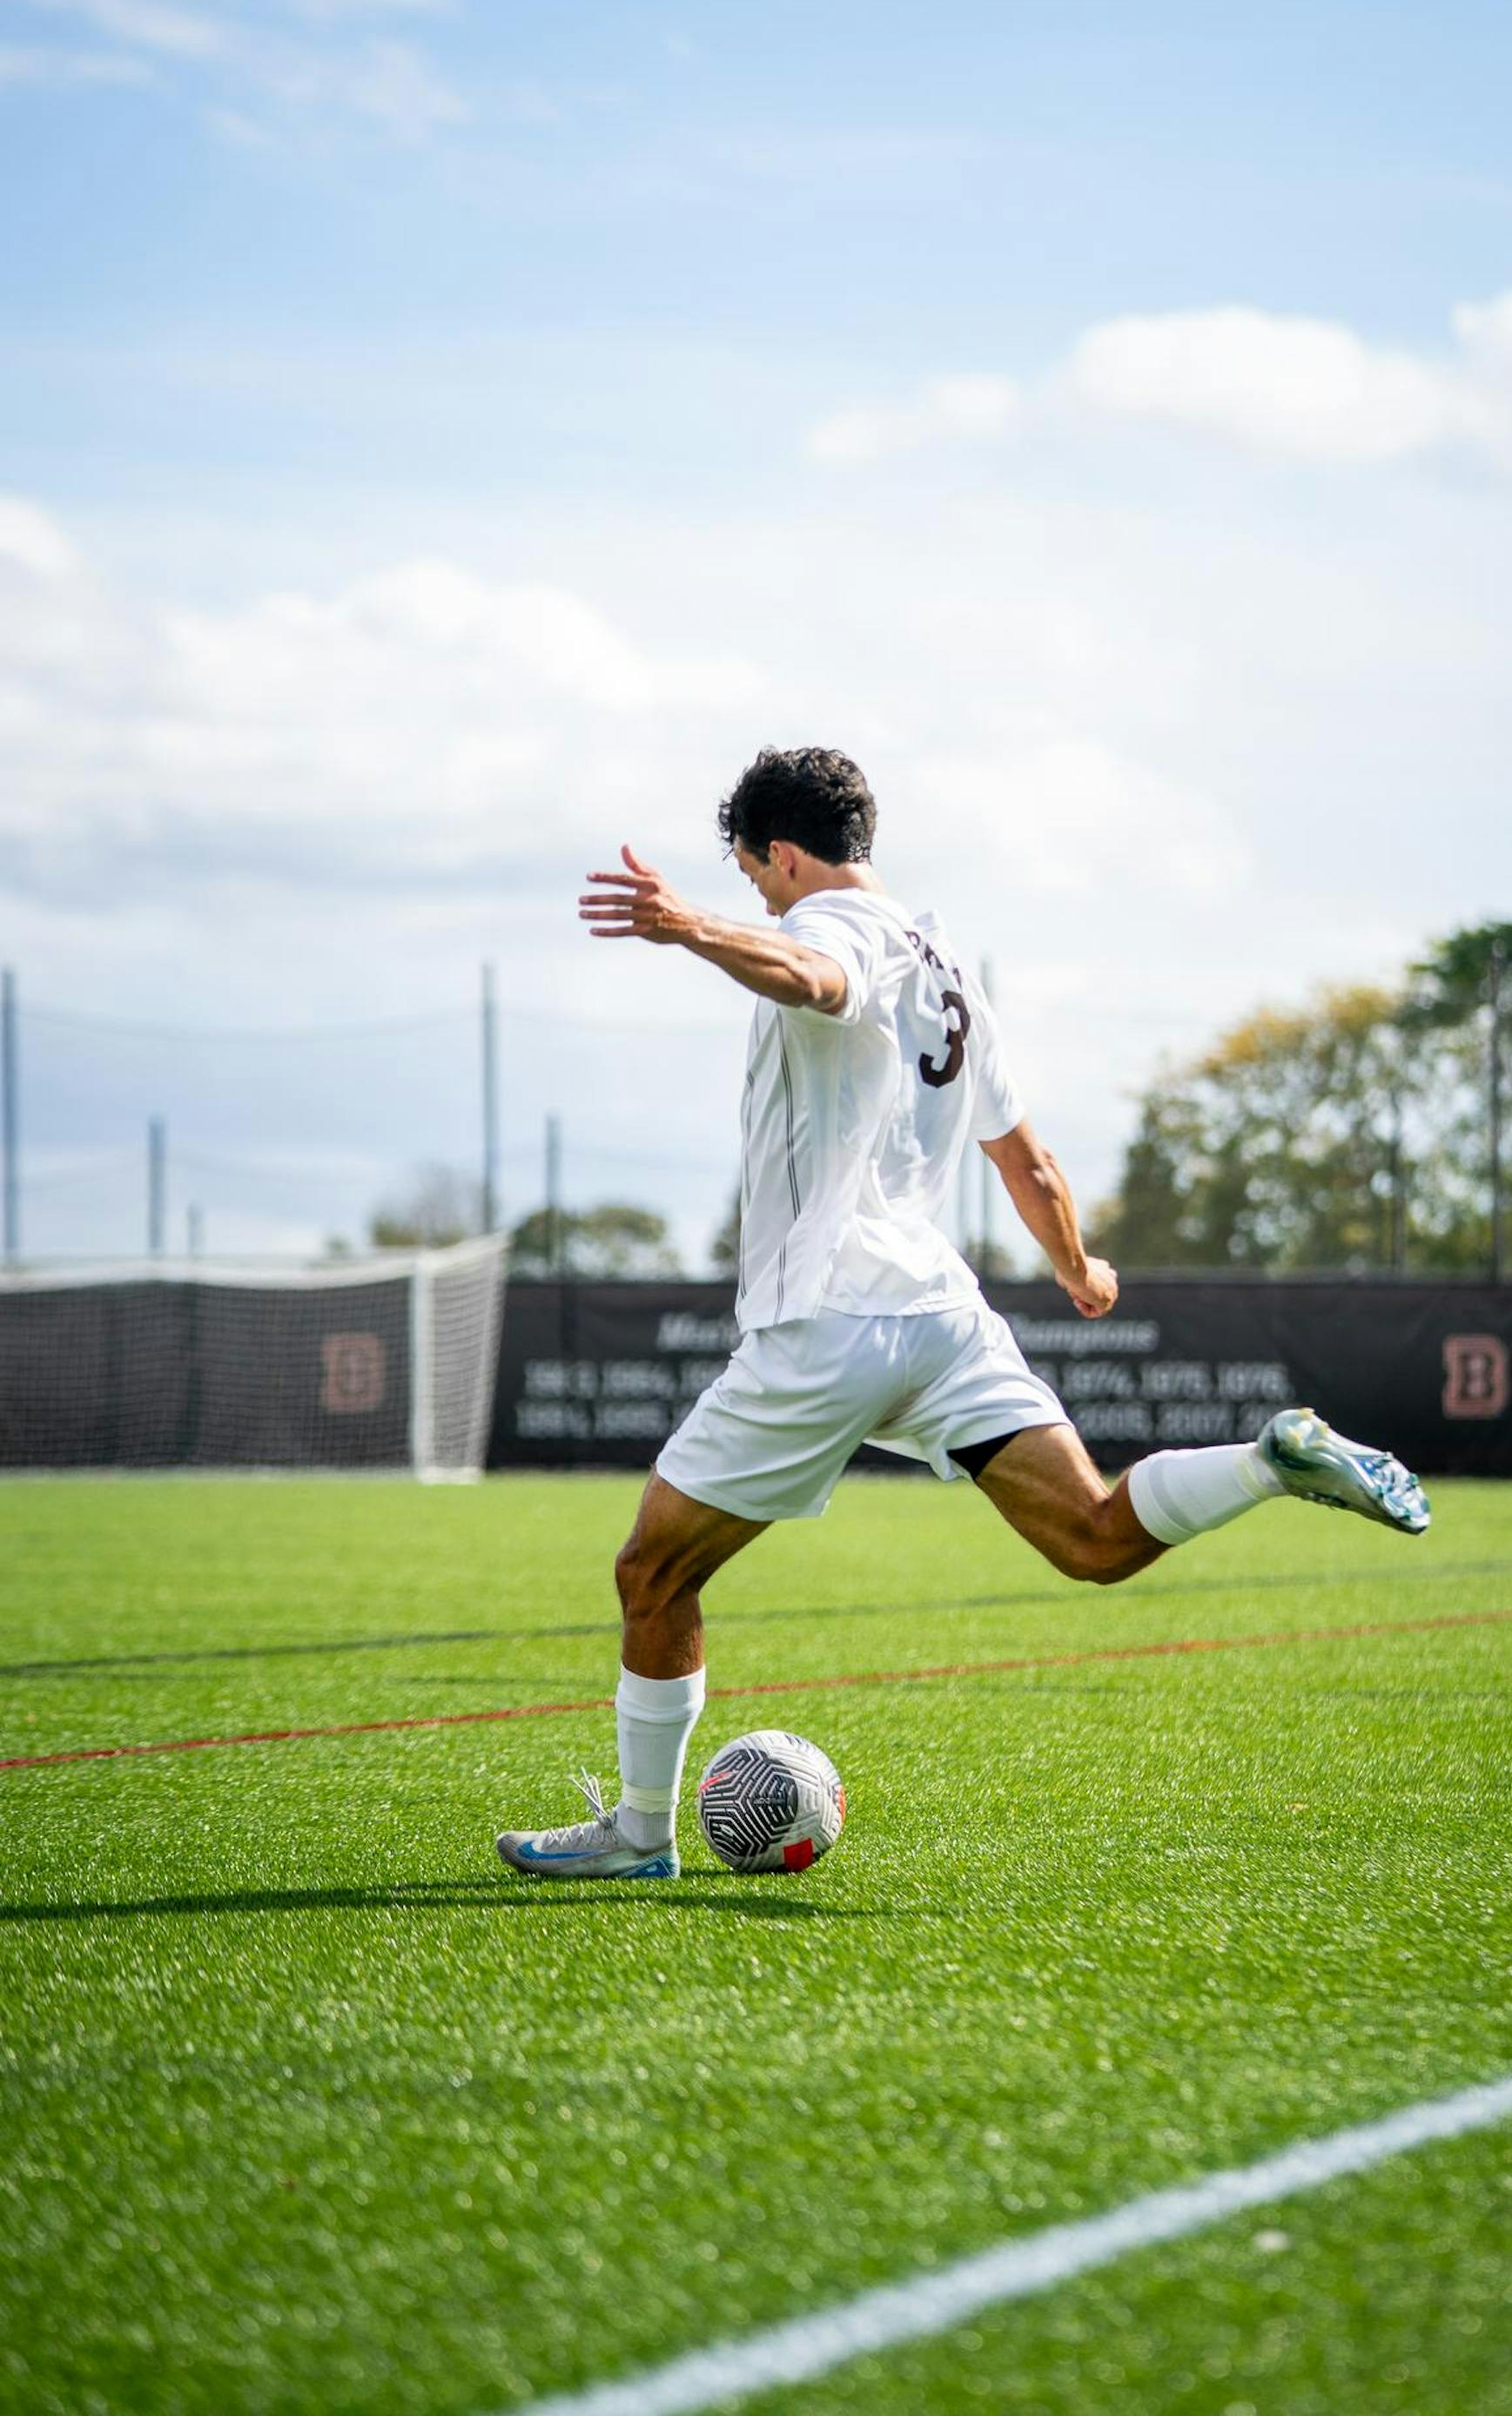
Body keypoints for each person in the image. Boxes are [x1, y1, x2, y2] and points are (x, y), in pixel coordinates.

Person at [497, 745, 1429, 1881]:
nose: (765, 903)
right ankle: (1271, 1463)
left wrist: (691, 927)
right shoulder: (948, 971)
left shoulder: (834, 931)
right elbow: (1026, 1157)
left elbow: (818, 983)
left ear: (785, 855)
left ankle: (641, 1832)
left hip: (831, 1314)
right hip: (941, 1313)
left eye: (757, 878)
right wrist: (1080, 1267)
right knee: (1091, 1534)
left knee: (655, 1572)